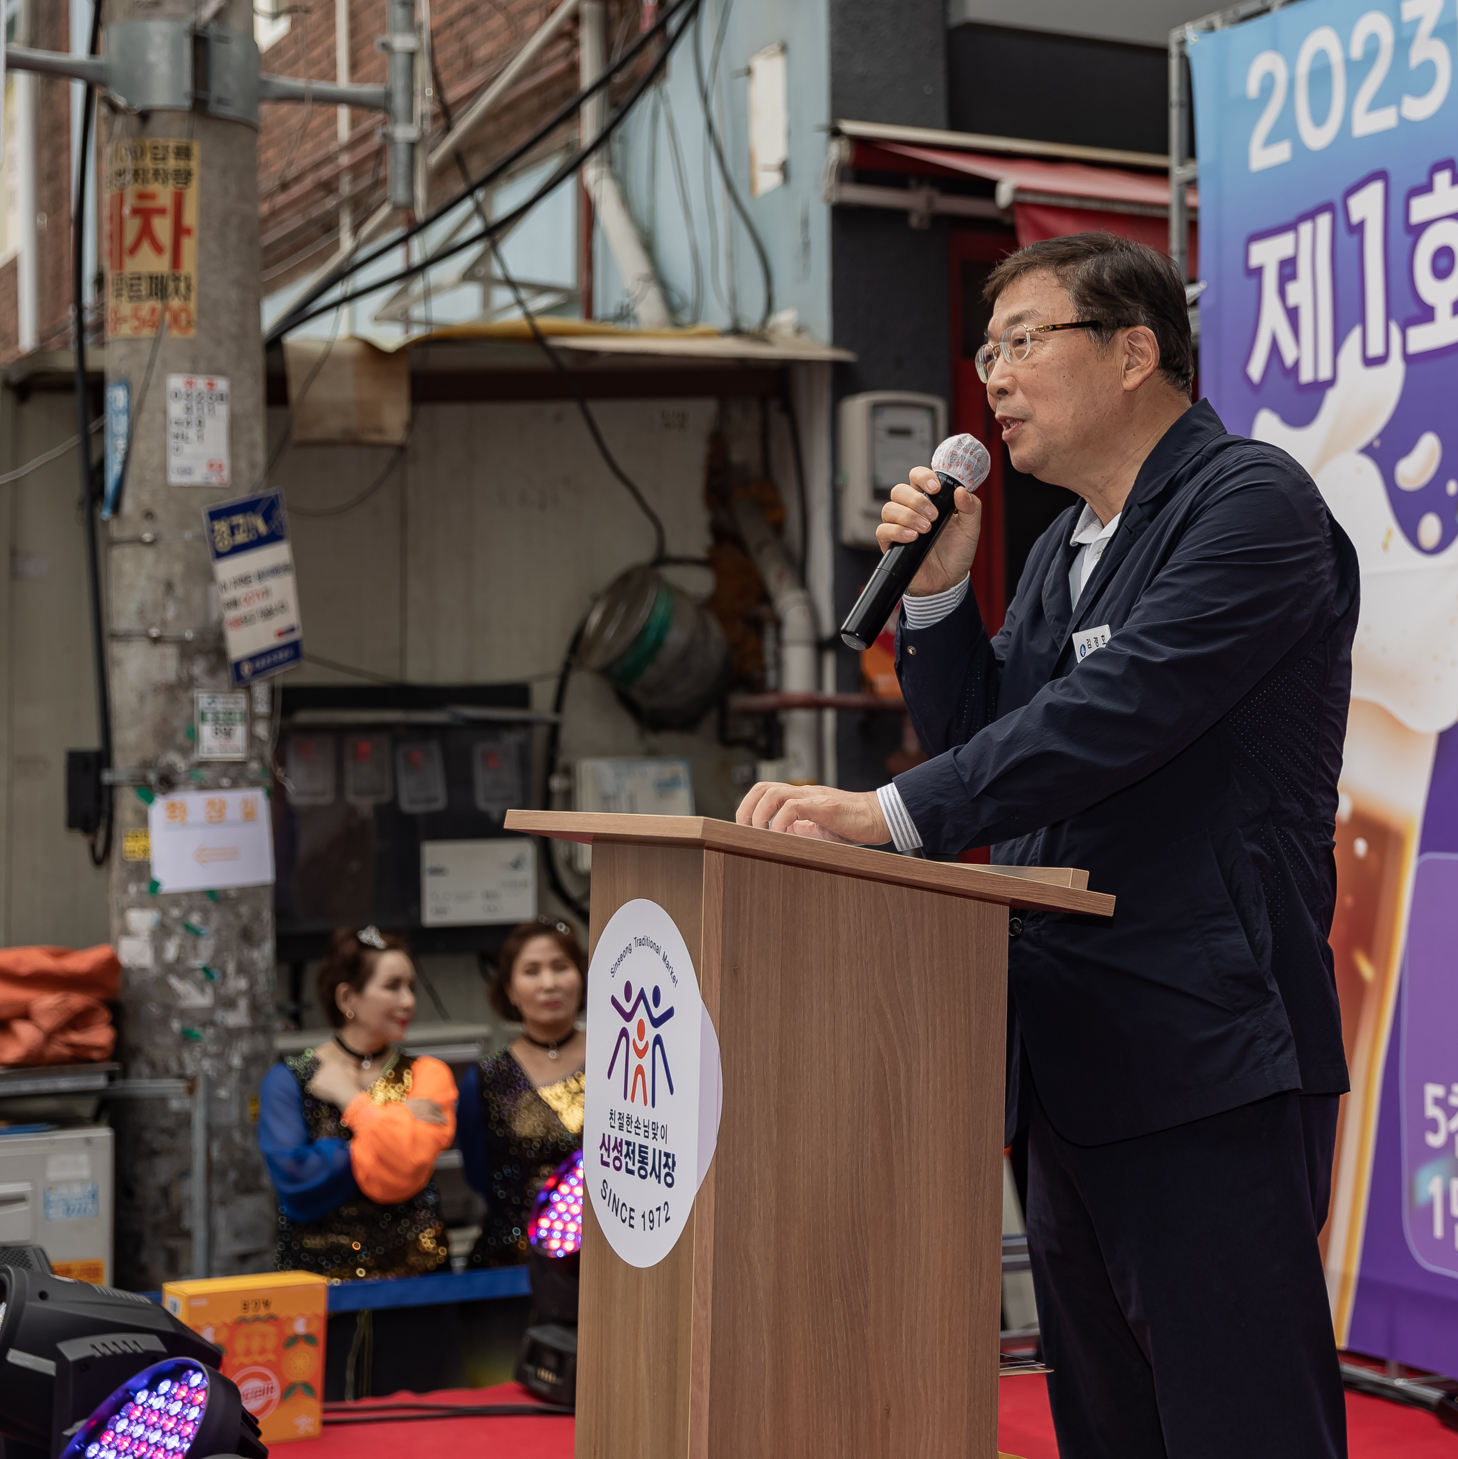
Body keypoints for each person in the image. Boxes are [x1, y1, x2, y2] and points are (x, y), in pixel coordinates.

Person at [737, 232, 1360, 1458]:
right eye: (987, 351)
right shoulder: (1060, 550)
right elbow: (991, 746)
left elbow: (1115, 714)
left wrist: (889, 814)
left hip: (1206, 1046)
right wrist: (935, 596)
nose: (995, 377)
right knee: (1107, 1417)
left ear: (1136, 352)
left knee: (1240, 1416)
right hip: (1068, 1051)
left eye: (1024, 340)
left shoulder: (1251, 504)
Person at [258, 926, 458, 1279]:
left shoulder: (429, 1074)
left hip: (420, 1283)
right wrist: (398, 1121)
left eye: (410, 987)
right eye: (392, 986)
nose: (409, 1000)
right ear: (348, 998)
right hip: (319, 1287)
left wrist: (350, 1099)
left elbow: (407, 1168)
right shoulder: (289, 1079)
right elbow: (296, 1182)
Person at [457, 919, 587, 1267]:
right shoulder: (485, 1078)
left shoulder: (618, 1062)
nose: (549, 983)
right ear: (511, 990)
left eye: (561, 967)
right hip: (512, 1266)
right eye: (532, 971)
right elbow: (478, 1175)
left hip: (607, 1263)